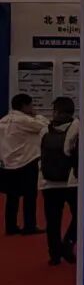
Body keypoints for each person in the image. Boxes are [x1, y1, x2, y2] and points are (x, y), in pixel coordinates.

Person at [39, 96, 79, 266]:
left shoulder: (44, 129)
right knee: (80, 217)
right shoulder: (78, 127)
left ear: (55, 111)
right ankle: (68, 243)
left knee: (52, 221)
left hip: (48, 182)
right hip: (71, 182)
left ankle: (54, 255)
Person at [0, 93, 46, 236]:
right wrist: (37, 115)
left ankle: (11, 226)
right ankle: (29, 226)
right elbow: (45, 126)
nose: (32, 107)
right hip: (27, 162)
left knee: (12, 197)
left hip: (8, 164)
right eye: (30, 105)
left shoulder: (3, 120)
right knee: (30, 196)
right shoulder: (25, 120)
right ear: (24, 106)